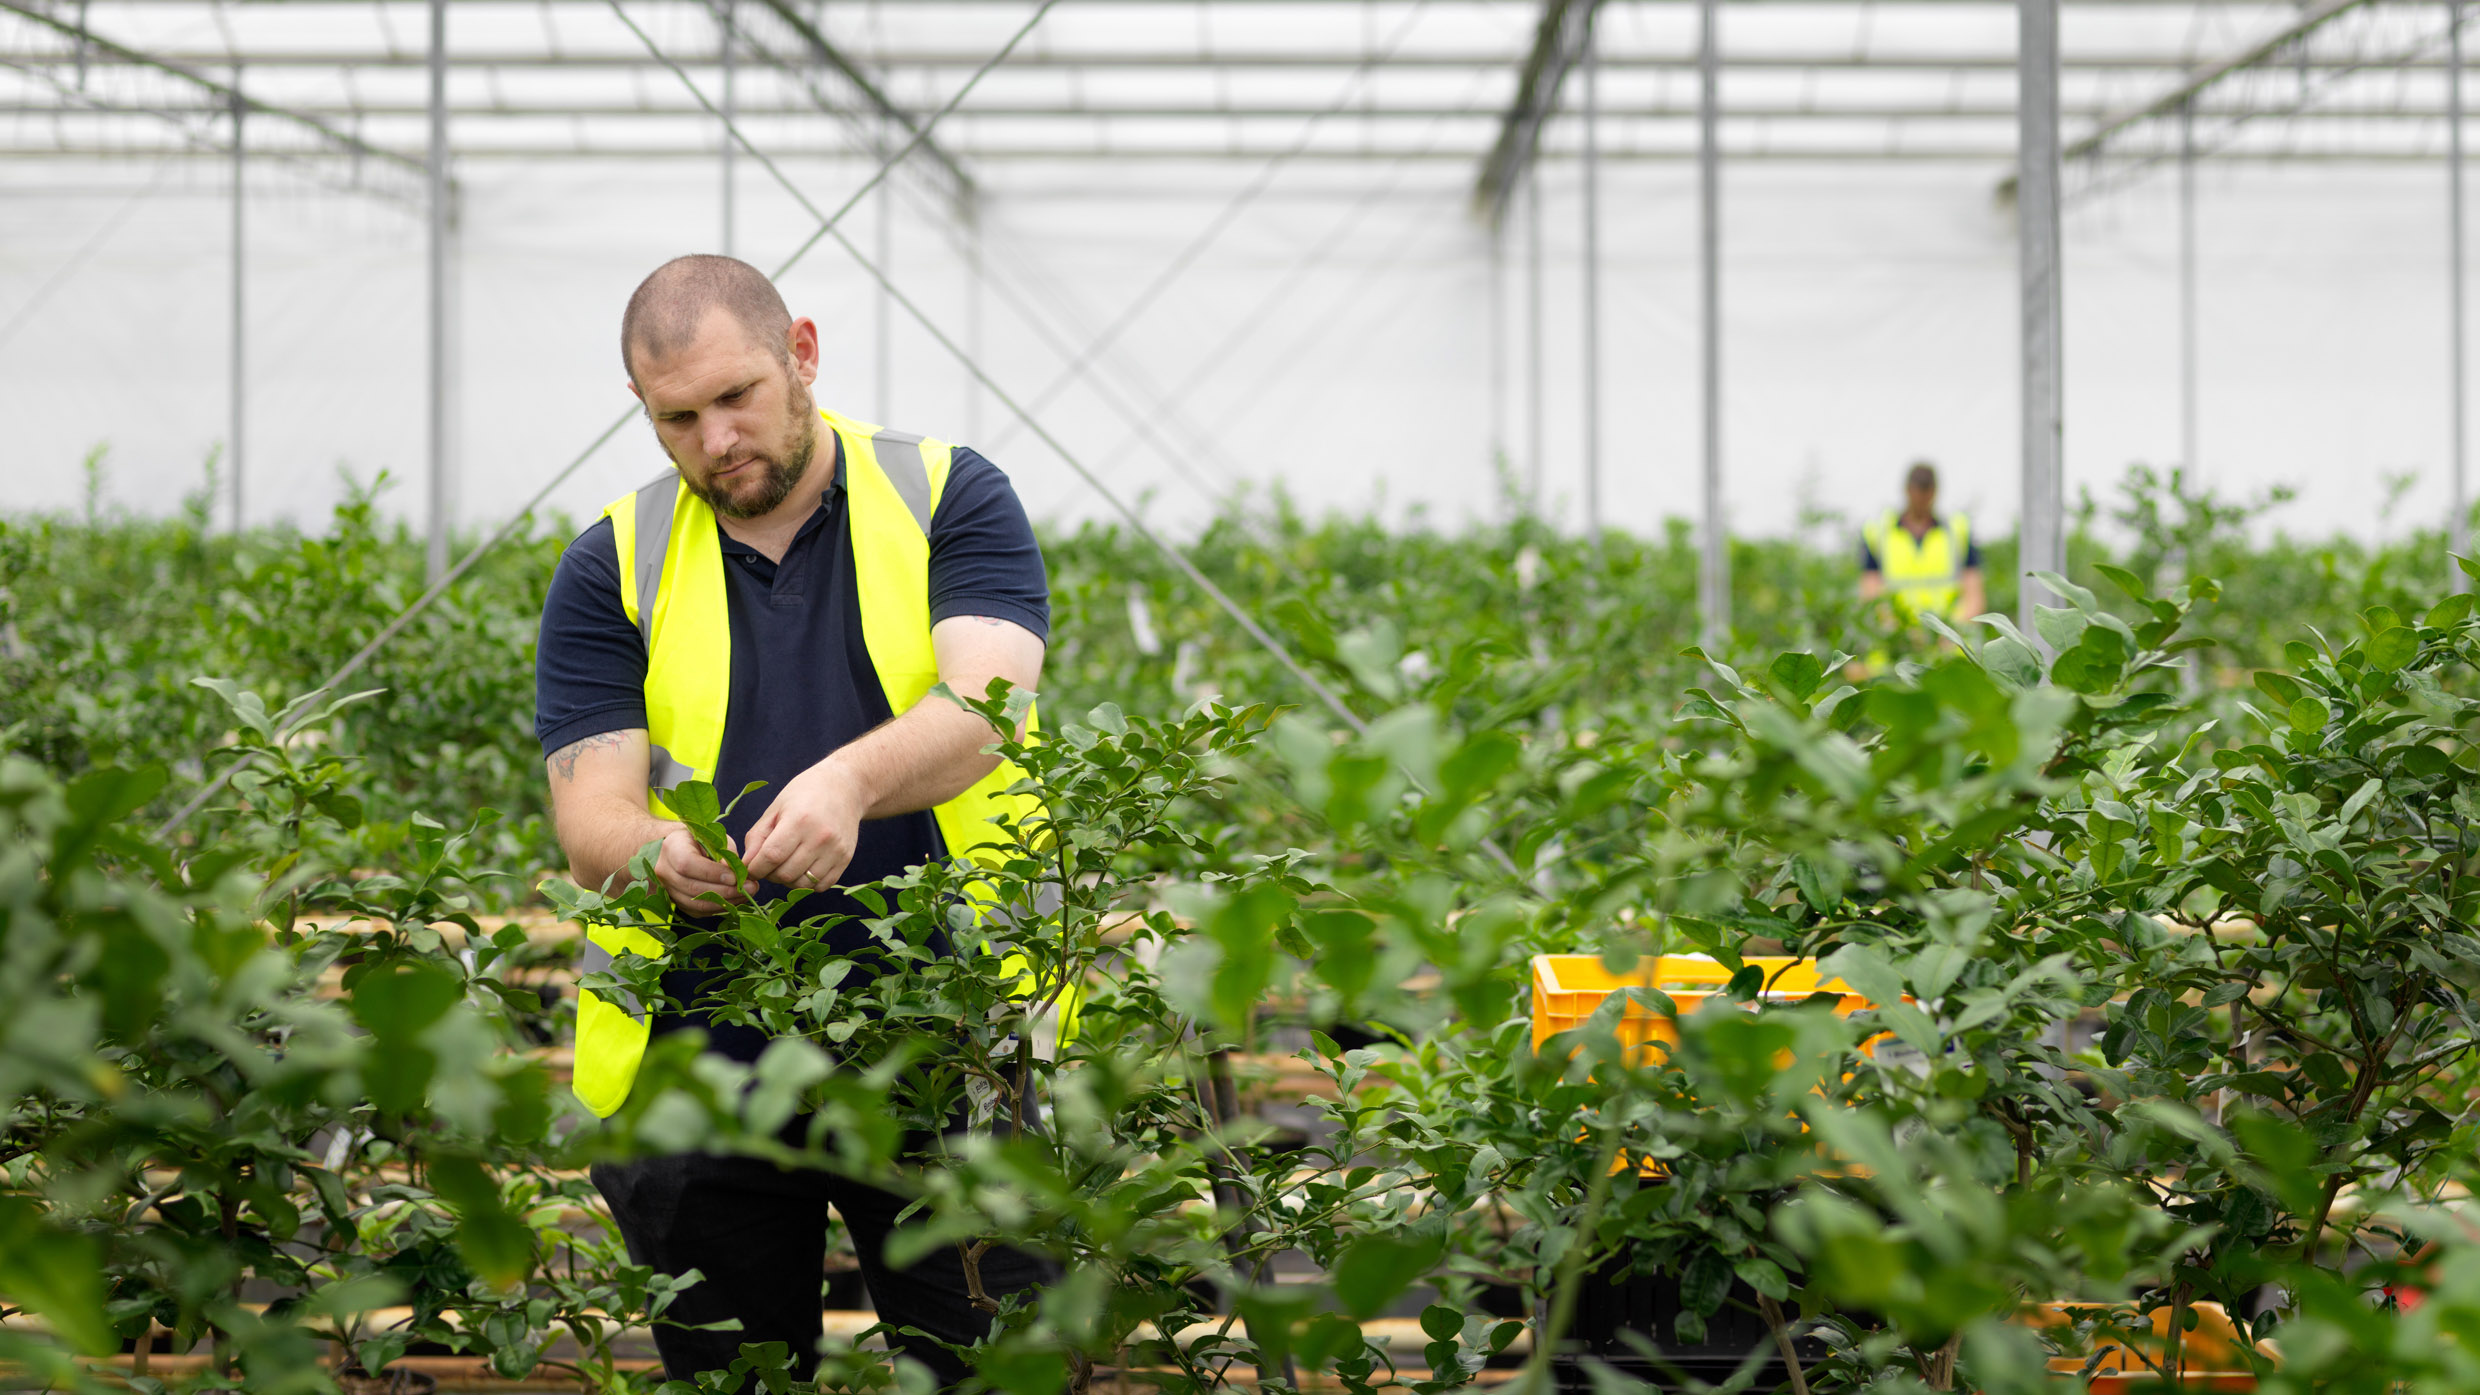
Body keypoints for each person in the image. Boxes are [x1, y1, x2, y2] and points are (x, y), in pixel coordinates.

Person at [533, 254, 1054, 1386]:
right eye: (678, 418)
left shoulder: (945, 495)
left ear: (800, 355)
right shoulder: (610, 564)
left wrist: (849, 784)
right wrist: (657, 851)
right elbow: (591, 821)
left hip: (945, 1046)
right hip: (701, 1076)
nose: (716, 440)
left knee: (992, 1367)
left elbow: (989, 708)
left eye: (736, 398)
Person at [1859, 461, 1986, 624]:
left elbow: (1974, 596)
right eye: (1918, 491)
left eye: (1927, 491)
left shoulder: (1957, 531)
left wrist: (1953, 631)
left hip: (1947, 638)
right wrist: (1893, 629)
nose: (1922, 498)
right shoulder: (1879, 533)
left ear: (1935, 491)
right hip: (1896, 641)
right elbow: (1870, 595)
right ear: (1907, 490)